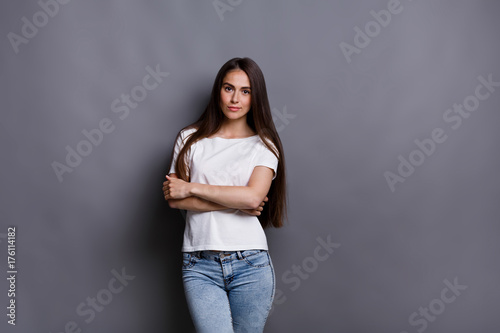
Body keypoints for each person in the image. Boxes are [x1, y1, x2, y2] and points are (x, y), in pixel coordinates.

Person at [162, 57, 287, 332]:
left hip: (250, 263)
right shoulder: (189, 139)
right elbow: (174, 198)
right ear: (218, 90)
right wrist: (236, 201)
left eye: (245, 91)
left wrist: (191, 187)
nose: (235, 98)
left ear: (256, 97)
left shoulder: (264, 145)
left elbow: (253, 199)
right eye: (228, 88)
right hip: (199, 262)